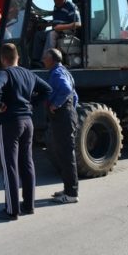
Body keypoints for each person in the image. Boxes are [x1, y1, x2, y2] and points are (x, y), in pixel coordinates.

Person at [0, 43, 52, 220]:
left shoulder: (4, 73)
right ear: (18, 58)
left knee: (10, 165)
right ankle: (29, 205)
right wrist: (32, 104)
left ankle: (11, 210)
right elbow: (47, 90)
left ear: (2, 59)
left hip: (9, 123)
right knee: (27, 162)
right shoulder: (28, 73)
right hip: (28, 122)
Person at [42, 48, 79, 204]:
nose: (43, 59)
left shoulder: (57, 74)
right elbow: (75, 96)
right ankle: (68, 189)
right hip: (67, 116)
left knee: (66, 155)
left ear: (52, 60)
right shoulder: (64, 71)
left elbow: (66, 89)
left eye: (45, 57)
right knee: (64, 155)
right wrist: (71, 110)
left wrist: (55, 105)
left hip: (63, 118)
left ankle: (71, 194)